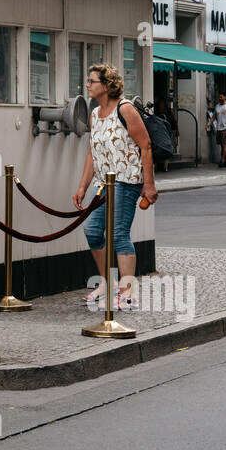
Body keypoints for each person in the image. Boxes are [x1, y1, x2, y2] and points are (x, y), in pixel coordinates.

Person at [71, 63, 158, 310]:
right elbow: (92, 153)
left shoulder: (126, 109)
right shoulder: (94, 113)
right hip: (103, 184)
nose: (87, 85)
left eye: (91, 81)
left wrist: (149, 185)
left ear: (107, 85)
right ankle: (108, 283)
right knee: (93, 231)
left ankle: (128, 293)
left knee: (119, 234)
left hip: (126, 180)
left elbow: (146, 145)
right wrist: (82, 187)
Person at [212, 92, 226, 167]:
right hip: (218, 128)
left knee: (224, 145)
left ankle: (222, 160)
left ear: (225, 97)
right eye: (219, 97)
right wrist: (209, 123)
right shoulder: (217, 106)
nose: (220, 98)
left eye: (221, 97)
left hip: (225, 128)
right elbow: (214, 116)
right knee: (222, 146)